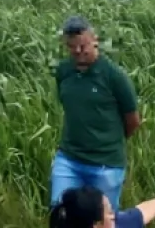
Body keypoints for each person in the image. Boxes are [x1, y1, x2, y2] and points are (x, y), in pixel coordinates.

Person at [51, 15, 142, 211]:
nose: (77, 51)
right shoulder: (64, 71)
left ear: (95, 40)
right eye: (72, 47)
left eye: (82, 46)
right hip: (69, 159)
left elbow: (133, 120)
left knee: (102, 221)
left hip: (105, 165)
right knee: (61, 214)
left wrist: (108, 141)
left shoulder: (114, 76)